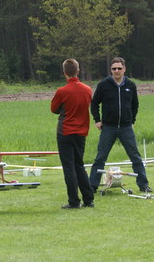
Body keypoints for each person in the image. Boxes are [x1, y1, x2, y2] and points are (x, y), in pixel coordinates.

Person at [89, 57, 151, 193]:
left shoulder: (131, 85)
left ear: (124, 69)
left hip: (126, 127)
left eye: (119, 68)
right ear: (111, 70)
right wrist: (97, 120)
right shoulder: (103, 84)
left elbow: (135, 105)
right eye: (114, 69)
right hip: (108, 127)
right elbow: (94, 103)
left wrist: (132, 121)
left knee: (135, 157)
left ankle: (143, 185)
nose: (116, 71)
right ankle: (92, 186)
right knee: (100, 157)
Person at [51, 58, 95, 209]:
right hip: (81, 132)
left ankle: (74, 201)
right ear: (78, 70)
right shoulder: (87, 90)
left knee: (69, 167)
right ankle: (88, 199)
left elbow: (54, 109)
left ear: (64, 72)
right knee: (79, 165)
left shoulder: (62, 91)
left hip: (65, 132)